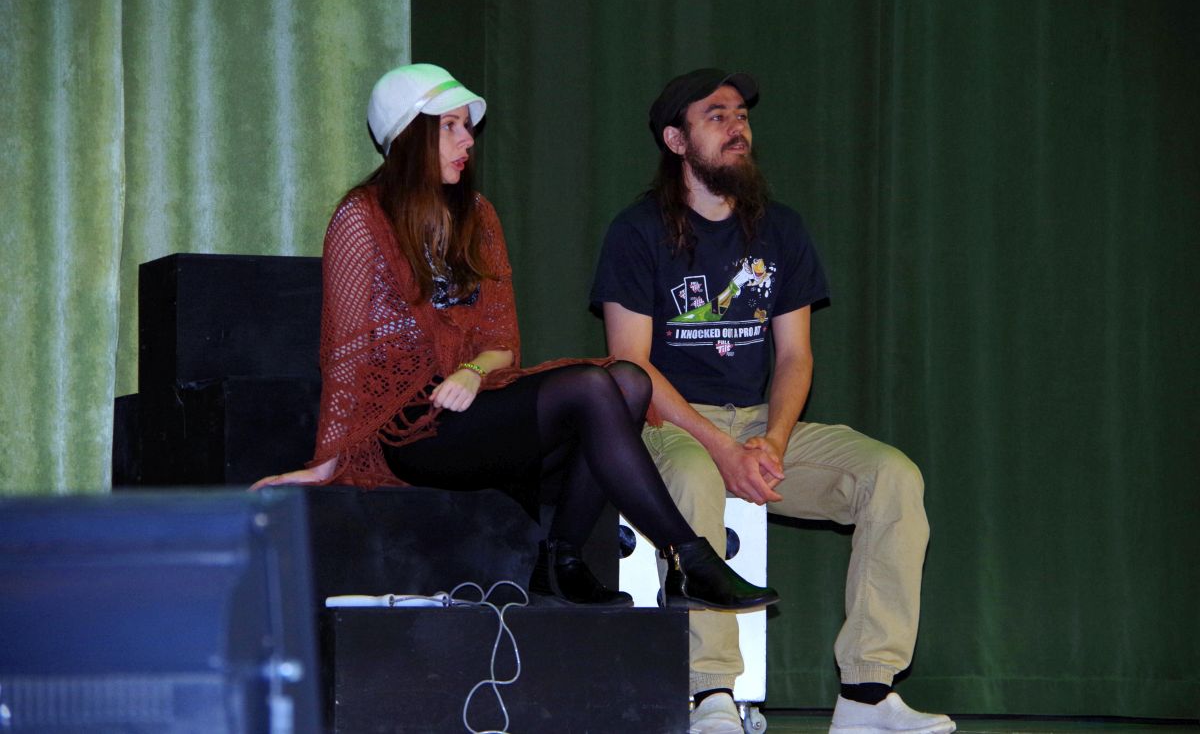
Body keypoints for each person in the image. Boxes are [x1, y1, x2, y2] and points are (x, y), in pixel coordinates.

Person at [251, 63, 777, 615]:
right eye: (450, 126)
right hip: (412, 429)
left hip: (477, 405)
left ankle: (563, 559)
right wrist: (326, 462)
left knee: (627, 381)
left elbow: (503, 340)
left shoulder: (477, 215)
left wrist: (472, 371)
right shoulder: (361, 217)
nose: (467, 140)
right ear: (407, 134)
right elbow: (347, 355)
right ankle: (688, 557)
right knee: (595, 387)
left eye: (467, 126)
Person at [590, 69, 956, 734]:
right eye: (717, 115)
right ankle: (709, 694)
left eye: (741, 115)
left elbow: (795, 356)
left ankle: (866, 694)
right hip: (666, 424)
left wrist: (774, 441)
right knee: (697, 475)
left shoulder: (779, 229)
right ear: (676, 140)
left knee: (891, 477)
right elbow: (630, 363)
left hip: (757, 422)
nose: (738, 127)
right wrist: (720, 448)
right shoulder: (637, 231)